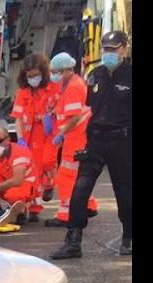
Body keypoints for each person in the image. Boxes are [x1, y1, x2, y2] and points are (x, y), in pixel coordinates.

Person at [51, 30, 132, 259]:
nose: (109, 53)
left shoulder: (129, 75)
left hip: (122, 141)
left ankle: (129, 236)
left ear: (124, 49)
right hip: (96, 139)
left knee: (125, 192)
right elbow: (88, 107)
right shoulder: (95, 75)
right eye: (106, 49)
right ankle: (73, 240)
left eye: (114, 49)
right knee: (80, 190)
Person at [43, 52, 97, 227]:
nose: (54, 75)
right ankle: (87, 205)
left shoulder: (73, 86)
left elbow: (74, 116)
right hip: (77, 136)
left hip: (76, 137)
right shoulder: (71, 83)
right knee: (77, 175)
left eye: (57, 71)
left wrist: (61, 132)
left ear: (67, 70)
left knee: (67, 176)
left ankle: (65, 214)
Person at [11, 53, 59, 220]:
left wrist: (52, 117)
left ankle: (49, 185)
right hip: (29, 135)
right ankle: (32, 207)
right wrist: (20, 139)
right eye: (29, 76)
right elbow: (17, 117)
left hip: (48, 133)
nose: (33, 79)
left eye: (35, 75)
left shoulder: (53, 88)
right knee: (30, 172)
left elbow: (61, 108)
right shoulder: (23, 92)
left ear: (43, 73)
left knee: (47, 163)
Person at [0, 123, 36, 221]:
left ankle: (21, 212)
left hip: (25, 185)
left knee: (13, 195)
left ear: (8, 139)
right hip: (7, 185)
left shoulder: (19, 153)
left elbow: (17, 181)